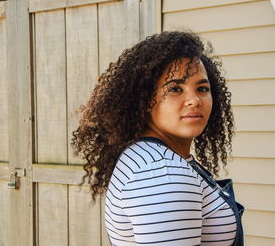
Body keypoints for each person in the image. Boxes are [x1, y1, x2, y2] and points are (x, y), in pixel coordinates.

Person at [71, 31, 244, 245]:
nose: (194, 100)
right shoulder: (162, 172)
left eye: (202, 88)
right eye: (175, 88)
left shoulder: (150, 157)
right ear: (144, 99)